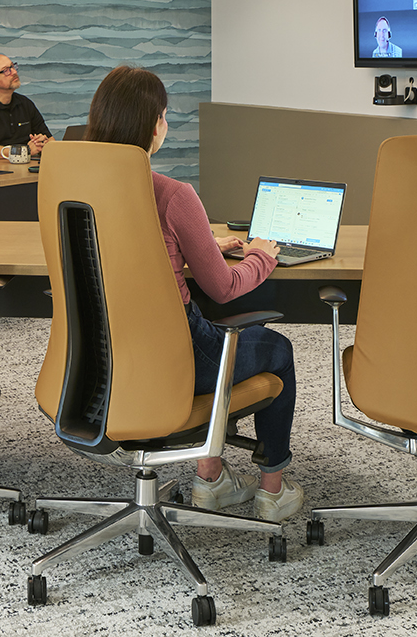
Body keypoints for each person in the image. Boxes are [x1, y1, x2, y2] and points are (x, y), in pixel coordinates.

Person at [85, 65, 304, 523]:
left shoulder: (78, 190)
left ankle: (214, 478)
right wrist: (261, 254)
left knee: (227, 339)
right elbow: (224, 288)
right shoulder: (172, 195)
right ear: (154, 125)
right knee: (277, 349)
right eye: (164, 115)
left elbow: (129, 255)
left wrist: (195, 244)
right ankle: (271, 490)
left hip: (102, 356)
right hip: (178, 357)